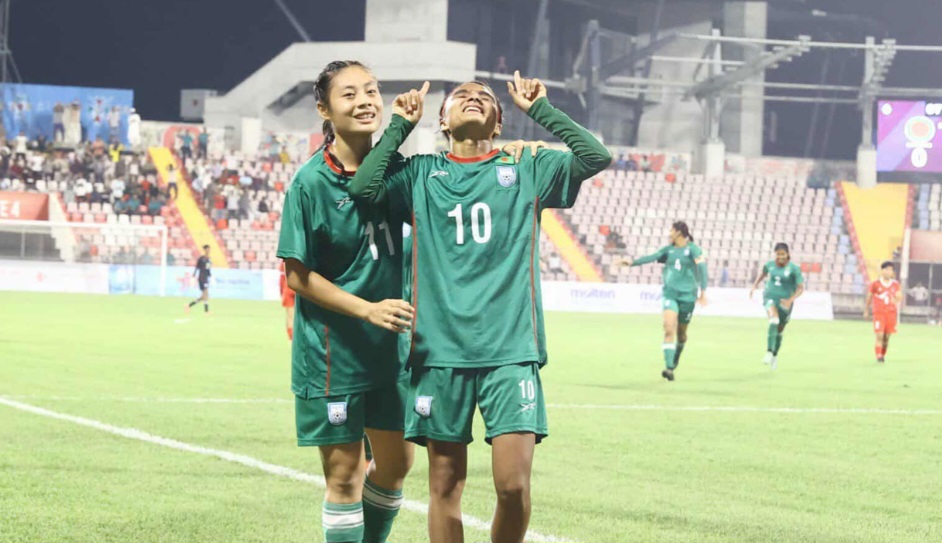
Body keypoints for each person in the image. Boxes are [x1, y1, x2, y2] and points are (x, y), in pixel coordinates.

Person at [349, 70, 610, 543]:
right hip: (439, 353)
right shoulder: (420, 174)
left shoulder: (528, 168)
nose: (472, 98)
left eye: (484, 96)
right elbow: (363, 189)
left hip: (510, 352)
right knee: (445, 485)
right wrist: (401, 125)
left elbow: (596, 156)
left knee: (513, 485)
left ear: (498, 123)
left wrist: (541, 110)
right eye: (461, 96)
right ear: (443, 121)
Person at [619, 221, 708, 381]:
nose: (669, 233)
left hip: (688, 297)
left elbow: (702, 268)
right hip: (670, 294)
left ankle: (675, 358)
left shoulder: (693, 249)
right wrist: (632, 263)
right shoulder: (668, 250)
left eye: (671, 230)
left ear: (679, 232)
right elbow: (652, 257)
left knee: (681, 335)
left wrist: (703, 291)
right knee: (668, 328)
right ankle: (669, 368)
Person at [749, 243, 804, 370]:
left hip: (785, 302)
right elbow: (763, 274)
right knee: (773, 320)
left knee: (780, 330)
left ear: (787, 254)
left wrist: (790, 300)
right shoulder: (770, 265)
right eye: (778, 254)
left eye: (782, 254)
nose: (780, 257)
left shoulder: (794, 269)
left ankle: (775, 354)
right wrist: (755, 285)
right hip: (770, 297)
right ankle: (768, 351)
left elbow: (800, 288)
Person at [864, 262, 902, 363]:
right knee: (879, 335)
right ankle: (879, 356)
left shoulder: (895, 284)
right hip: (879, 314)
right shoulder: (875, 284)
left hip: (891, 314)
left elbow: (899, 296)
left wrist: (896, 299)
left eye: (890, 270)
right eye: (886, 269)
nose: (888, 272)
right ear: (882, 271)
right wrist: (866, 310)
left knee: (886, 338)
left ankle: (882, 354)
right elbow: (869, 296)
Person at [186, 245, 212, 314]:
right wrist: (194, 275)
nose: (209, 250)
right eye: (207, 249)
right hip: (202, 278)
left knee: (203, 296)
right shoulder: (201, 258)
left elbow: (208, 269)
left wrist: (210, 275)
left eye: (209, 249)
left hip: (206, 278)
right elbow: (197, 267)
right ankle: (206, 311)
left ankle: (189, 305)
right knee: (206, 294)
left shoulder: (209, 259)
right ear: (205, 250)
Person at [278, 260, 296, 341]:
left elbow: (282, 278)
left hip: (288, 290)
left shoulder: (285, 261)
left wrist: (282, 293)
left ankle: (292, 340)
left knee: (290, 317)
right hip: (302, 290)